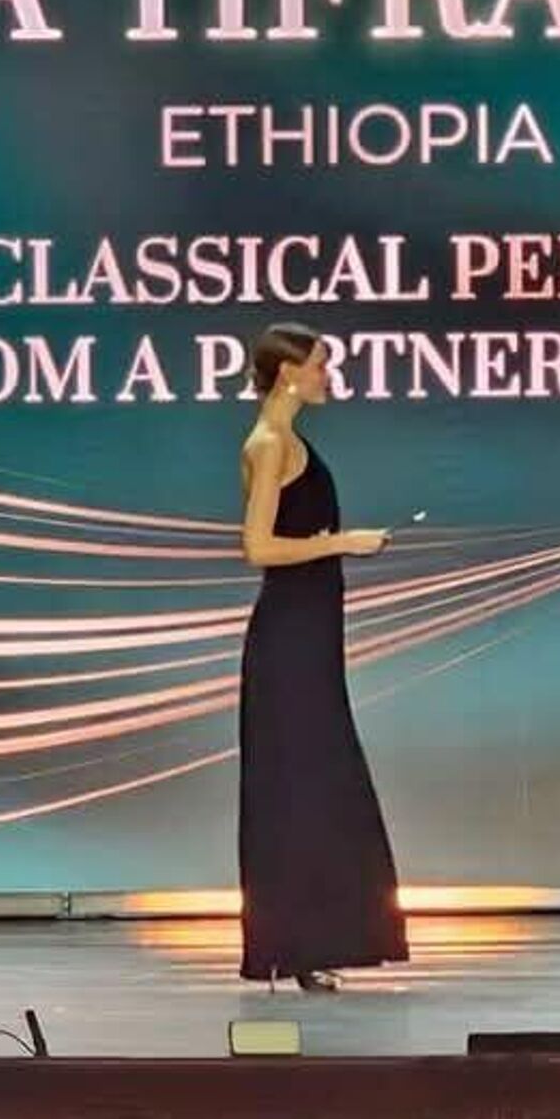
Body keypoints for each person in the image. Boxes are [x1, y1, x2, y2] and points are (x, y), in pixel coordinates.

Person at [236, 321, 408, 990]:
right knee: (300, 785)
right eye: (319, 364)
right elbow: (258, 547)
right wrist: (343, 542)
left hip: (308, 632)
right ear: (288, 372)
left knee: (316, 784)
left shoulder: (288, 441)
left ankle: (314, 942)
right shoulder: (270, 444)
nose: (327, 375)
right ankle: (297, 945)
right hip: (290, 638)